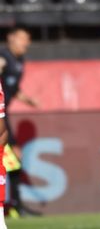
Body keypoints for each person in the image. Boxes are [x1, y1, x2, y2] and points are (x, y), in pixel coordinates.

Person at [0, 28, 38, 218]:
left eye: (28, 39)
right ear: (11, 38)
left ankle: (15, 204)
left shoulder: (19, 61)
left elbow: (12, 87)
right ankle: (15, 204)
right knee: (13, 158)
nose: (26, 43)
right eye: (22, 38)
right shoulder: (3, 56)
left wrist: (27, 99)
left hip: (3, 114)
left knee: (13, 159)